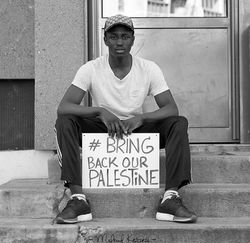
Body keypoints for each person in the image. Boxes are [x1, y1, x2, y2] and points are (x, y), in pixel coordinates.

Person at [55, 14, 197, 224]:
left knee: (178, 123)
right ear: (105, 39)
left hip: (136, 129)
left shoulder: (148, 68)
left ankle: (170, 198)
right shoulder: (91, 68)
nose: (119, 42)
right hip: (103, 129)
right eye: (113, 37)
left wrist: (141, 117)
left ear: (133, 39)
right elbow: (63, 107)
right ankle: (77, 199)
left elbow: (171, 108)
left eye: (125, 36)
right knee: (65, 121)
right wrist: (100, 112)